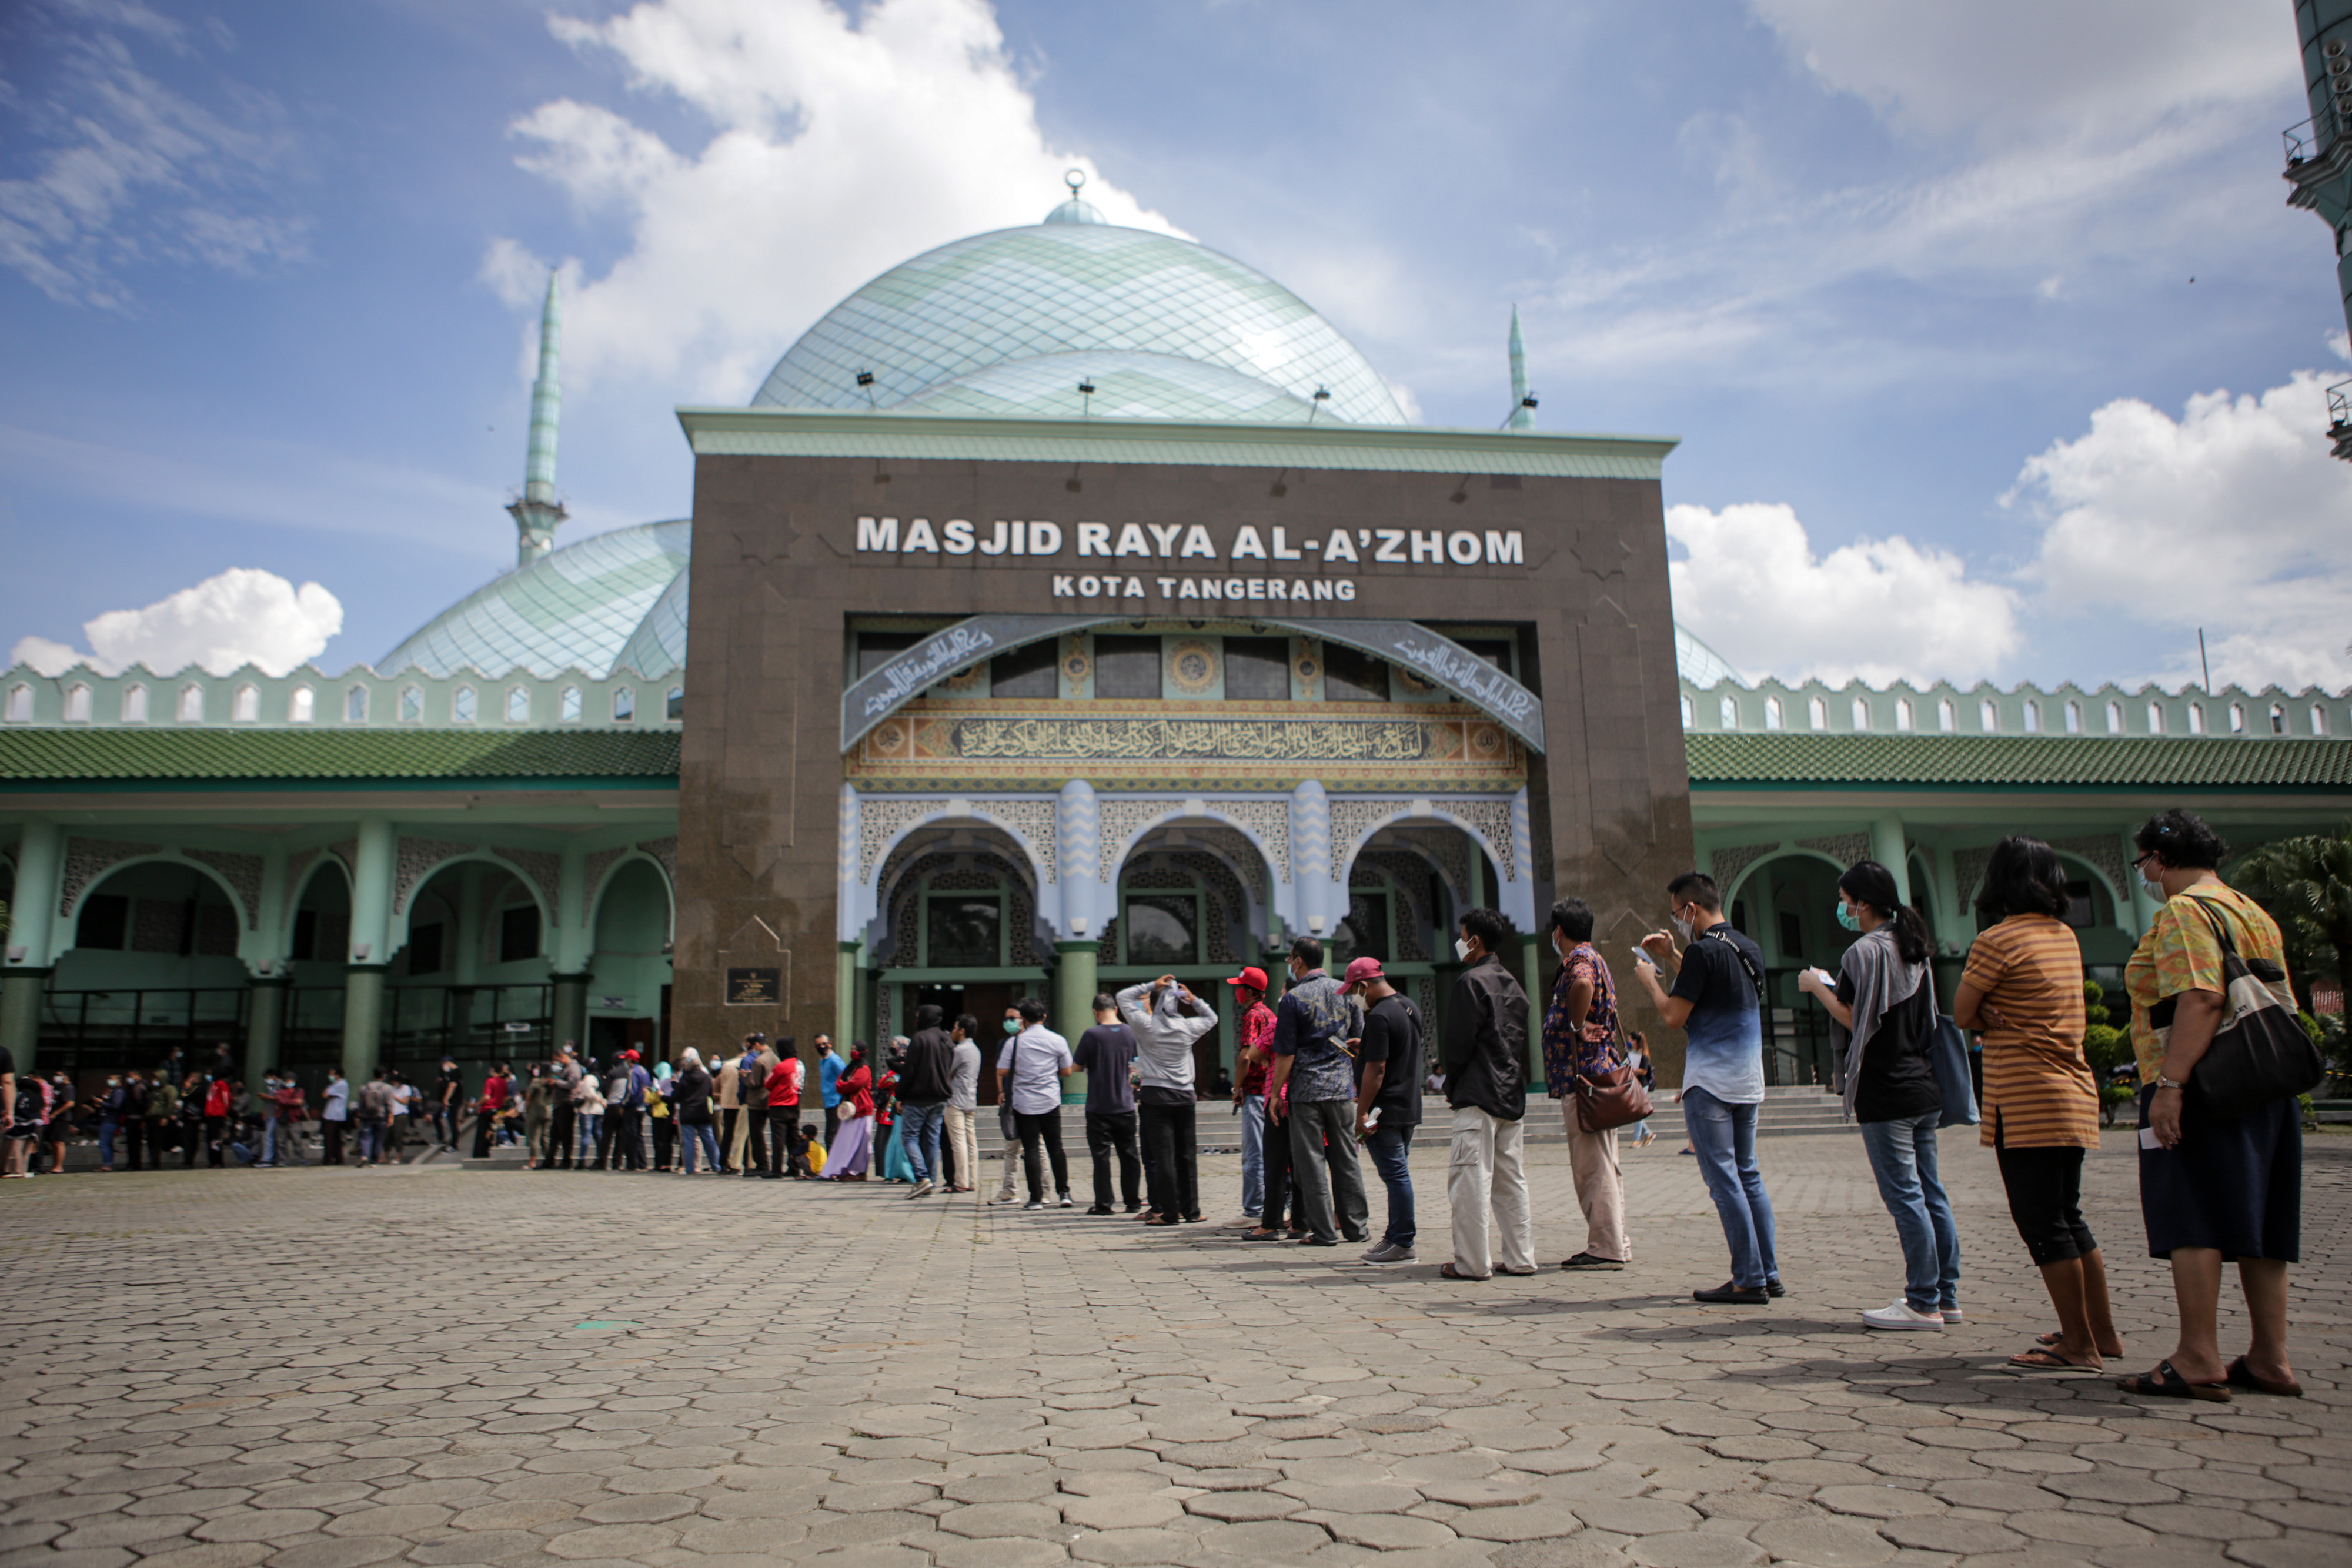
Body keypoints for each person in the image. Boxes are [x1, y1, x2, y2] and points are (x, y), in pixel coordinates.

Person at [2119, 808, 2302, 1402]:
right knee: (2263, 1217)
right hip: (2265, 1080)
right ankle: (2270, 1356)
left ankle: (2198, 1353)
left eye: (2143, 862)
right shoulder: (2249, 909)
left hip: (2203, 1082)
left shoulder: (2184, 911)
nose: (2144, 873)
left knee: (2191, 1210)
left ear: (2159, 860)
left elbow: (2200, 997)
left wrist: (2171, 1086)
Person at [1953, 835, 2116, 1370]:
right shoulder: (2064, 934)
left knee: (2043, 1225)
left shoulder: (1998, 939)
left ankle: (2079, 1345)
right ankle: (2102, 1332)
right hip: (2072, 1090)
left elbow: (1962, 1011)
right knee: (2069, 1215)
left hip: (2026, 1098)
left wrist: (1986, 1013)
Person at [1798, 860, 1956, 1330]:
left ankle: (1922, 1300)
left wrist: (1816, 987)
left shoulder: (1862, 952)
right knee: (1931, 1194)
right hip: (1923, 1085)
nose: (1843, 908)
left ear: (1863, 903)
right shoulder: (1915, 947)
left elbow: (1855, 1017)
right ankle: (1946, 1295)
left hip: (1885, 1091)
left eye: (1845, 900)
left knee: (1905, 1197)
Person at [1633, 872, 1782, 1305]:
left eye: (1676, 914)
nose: (1677, 921)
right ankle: (1768, 1272)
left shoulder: (1703, 951)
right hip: (1748, 1081)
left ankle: (1748, 1279)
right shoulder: (1747, 947)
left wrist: (1650, 979)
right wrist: (1673, 954)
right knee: (1748, 1174)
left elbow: (1673, 1016)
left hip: (1711, 1083)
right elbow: (1712, 979)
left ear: (1691, 909)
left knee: (1724, 1180)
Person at [1441, 908, 1534, 1279]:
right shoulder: (1514, 985)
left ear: (1475, 941)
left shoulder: (1470, 982)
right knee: (1511, 1182)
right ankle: (1521, 1258)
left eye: (1463, 936)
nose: (1460, 942)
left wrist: (1452, 1084)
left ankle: (1472, 1263)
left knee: (1471, 1181)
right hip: (1510, 1093)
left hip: (1478, 1093)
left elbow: (1458, 1044)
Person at [1542, 898, 1629, 1271]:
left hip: (1585, 1080)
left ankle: (1605, 1248)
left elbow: (1581, 983)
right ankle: (1616, 1241)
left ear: (1559, 931)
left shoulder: (1579, 960)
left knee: (1592, 1167)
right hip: (1600, 1074)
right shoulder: (1597, 957)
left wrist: (1576, 1025)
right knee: (1606, 1164)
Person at [1267, 935, 1368, 1249]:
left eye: (1290, 959)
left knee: (1311, 1164)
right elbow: (1359, 1042)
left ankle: (1324, 1232)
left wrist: (1275, 1094)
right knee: (1346, 1159)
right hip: (1341, 1088)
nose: (1290, 964)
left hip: (1307, 1092)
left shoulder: (1292, 999)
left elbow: (1285, 1053)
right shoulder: (1347, 993)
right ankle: (1356, 1228)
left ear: (1298, 960)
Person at [1344, 957, 1425, 1264]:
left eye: (1353, 991)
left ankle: (1403, 1242)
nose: (1354, 998)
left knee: (1396, 1176)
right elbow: (1398, 1051)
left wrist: (1362, 1113)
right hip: (1407, 1106)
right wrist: (1365, 1048)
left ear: (1363, 985)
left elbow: (1376, 1069)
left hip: (1384, 1111)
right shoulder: (1408, 1006)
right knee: (1397, 1175)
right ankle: (1394, 1236)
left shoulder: (1379, 1016)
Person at [1118, 977, 1217, 1225]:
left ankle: (1170, 1214)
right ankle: (1192, 1211)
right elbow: (1212, 1018)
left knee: (1164, 1158)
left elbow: (1122, 997)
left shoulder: (1146, 1025)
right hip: (1185, 1097)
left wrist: (1152, 985)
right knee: (1187, 1157)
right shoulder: (1188, 1027)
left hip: (1156, 1097)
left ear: (1156, 1004)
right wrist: (1194, 1000)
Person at [997, 998, 1075, 1209]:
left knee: (1031, 1149)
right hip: (1050, 1099)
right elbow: (1067, 1071)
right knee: (1056, 1147)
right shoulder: (1058, 1040)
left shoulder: (1014, 1043)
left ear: (1023, 1019)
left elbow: (1002, 1070)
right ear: (1044, 1017)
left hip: (1024, 1102)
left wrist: (1023, 1070)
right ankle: (1064, 1193)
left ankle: (1036, 1198)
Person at [1074, 994, 1142, 1215]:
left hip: (1098, 1106)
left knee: (1101, 1158)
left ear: (1095, 1012)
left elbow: (1076, 1066)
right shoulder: (1131, 1032)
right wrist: (1135, 1091)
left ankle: (1104, 1204)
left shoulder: (1091, 1034)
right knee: (1130, 1155)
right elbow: (1136, 1068)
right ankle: (1133, 1202)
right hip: (1126, 1104)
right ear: (1116, 1009)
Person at [1226, 967, 1276, 1228]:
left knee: (1254, 1154)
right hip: (1271, 1092)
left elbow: (1246, 1057)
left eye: (1239, 987)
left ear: (1248, 992)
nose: (1236, 991)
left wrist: (1237, 1088)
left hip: (1255, 1093)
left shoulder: (1252, 1016)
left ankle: (1254, 1210)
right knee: (1272, 1153)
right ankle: (1277, 1206)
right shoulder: (1269, 1013)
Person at [896, 1008, 955, 1198]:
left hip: (919, 1097)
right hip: (941, 1098)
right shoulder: (947, 1039)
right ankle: (931, 1181)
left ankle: (922, 1178)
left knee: (909, 1138)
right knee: (932, 1140)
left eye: (918, 1017)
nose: (917, 1021)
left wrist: (900, 1095)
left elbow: (910, 1071)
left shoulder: (920, 1039)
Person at [821, 1044, 877, 1180]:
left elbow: (855, 1084)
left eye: (856, 1049)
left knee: (860, 1144)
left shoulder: (864, 1068)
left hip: (862, 1110)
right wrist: (843, 1085)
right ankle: (843, 1170)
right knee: (845, 1143)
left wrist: (843, 1085)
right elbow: (839, 1084)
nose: (853, 1052)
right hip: (851, 1112)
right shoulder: (850, 1068)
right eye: (852, 1049)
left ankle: (857, 1172)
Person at [734, 1035, 774, 1178]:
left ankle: (761, 1165)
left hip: (756, 1102)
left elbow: (754, 1082)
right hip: (769, 1099)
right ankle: (763, 1164)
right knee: (760, 1134)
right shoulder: (775, 1058)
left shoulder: (759, 1060)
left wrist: (744, 1076)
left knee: (756, 1135)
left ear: (756, 1044)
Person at [766, 1037, 804, 1181]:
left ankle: (777, 1169)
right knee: (793, 1138)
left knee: (778, 1139)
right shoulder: (800, 1065)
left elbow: (768, 1084)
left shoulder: (781, 1066)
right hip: (795, 1105)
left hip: (779, 1106)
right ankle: (795, 1168)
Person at [1622, 1033, 1657, 1149]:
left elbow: (1644, 1071)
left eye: (1630, 1040)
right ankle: (1648, 1133)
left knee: (1638, 1112)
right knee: (1635, 1111)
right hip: (1632, 1084)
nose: (1628, 1042)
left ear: (1635, 1042)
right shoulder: (1628, 1054)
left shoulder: (1643, 1056)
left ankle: (1636, 1139)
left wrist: (1632, 1070)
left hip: (1642, 1085)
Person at [647, 1061, 675, 1171]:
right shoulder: (671, 1082)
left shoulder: (660, 1084)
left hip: (659, 1114)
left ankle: (660, 1163)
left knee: (659, 1140)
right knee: (666, 1141)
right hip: (668, 1114)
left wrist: (647, 1093)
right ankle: (666, 1163)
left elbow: (651, 1099)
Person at [820, 1038, 847, 1146]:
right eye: (818, 1045)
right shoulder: (823, 1061)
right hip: (829, 1103)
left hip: (836, 1102)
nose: (821, 1047)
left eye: (824, 1044)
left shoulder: (834, 1060)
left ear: (830, 1044)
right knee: (831, 1136)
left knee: (831, 1137)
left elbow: (846, 1077)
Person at [432, 1056, 462, 1152]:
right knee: (438, 1117)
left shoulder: (455, 1072)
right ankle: (442, 1139)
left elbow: (452, 1086)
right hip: (452, 1101)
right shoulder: (452, 1074)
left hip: (453, 1101)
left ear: (448, 1063)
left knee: (452, 1121)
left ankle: (454, 1144)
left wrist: (446, 1099)